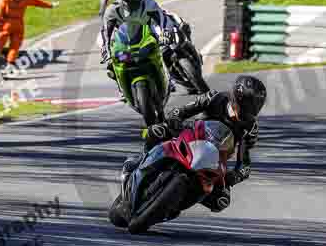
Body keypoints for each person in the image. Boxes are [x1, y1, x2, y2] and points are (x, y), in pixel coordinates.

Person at [110, 75, 267, 226]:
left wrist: (236, 176)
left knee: (221, 201)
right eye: (248, 105)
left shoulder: (250, 128)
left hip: (216, 159)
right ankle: (138, 164)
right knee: (156, 131)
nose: (250, 110)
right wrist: (175, 119)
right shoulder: (215, 98)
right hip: (191, 136)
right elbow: (183, 110)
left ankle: (173, 205)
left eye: (255, 106)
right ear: (236, 98)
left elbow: (244, 162)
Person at [0, 0, 59, 67]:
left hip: (7, 24)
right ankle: (10, 63)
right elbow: (37, 2)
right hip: (19, 24)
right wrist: (50, 5)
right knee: (15, 45)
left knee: (0, 42)